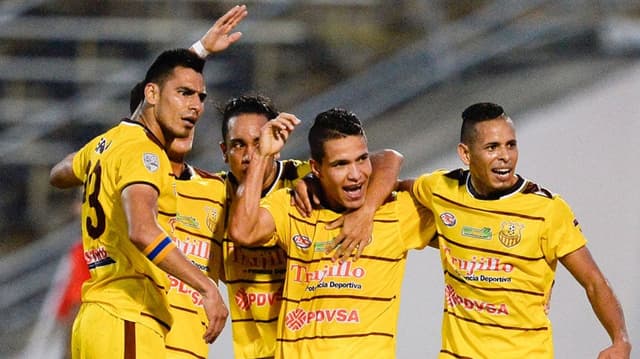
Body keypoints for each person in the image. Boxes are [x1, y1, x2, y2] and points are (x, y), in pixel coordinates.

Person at [401, 102, 631, 358]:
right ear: (466, 154)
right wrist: (364, 213)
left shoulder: (547, 210)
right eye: (492, 147)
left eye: (511, 144)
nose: (505, 156)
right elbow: (398, 184)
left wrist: (619, 339)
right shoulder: (441, 188)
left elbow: (594, 281)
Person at [49, 48, 228, 358]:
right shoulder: (144, 152)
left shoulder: (110, 143)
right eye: (184, 93)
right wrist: (206, 287)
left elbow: (59, 173)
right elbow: (143, 230)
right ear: (151, 94)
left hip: (97, 317)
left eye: (199, 97)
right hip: (129, 314)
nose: (195, 106)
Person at [227, 108, 436, 358]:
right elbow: (243, 231)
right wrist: (262, 155)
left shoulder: (395, 212)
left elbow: (455, 207)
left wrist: (368, 209)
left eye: (361, 159)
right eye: (340, 164)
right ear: (316, 168)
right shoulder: (294, 207)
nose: (356, 174)